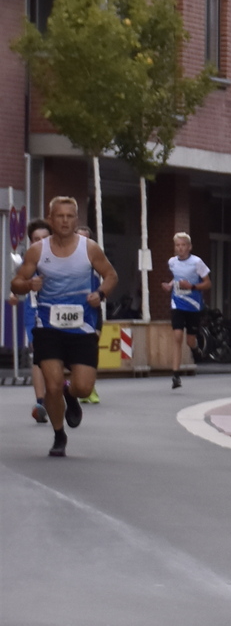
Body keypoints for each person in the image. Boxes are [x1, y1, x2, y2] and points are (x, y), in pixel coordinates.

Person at [9, 196, 117, 457]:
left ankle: (72, 396)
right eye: (60, 216)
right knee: (52, 384)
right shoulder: (38, 250)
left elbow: (111, 275)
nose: (65, 221)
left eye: (70, 216)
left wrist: (100, 294)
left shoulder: (89, 248)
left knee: (83, 387)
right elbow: (16, 283)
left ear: (76, 220)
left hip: (82, 325)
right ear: (51, 219)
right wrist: (28, 286)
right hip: (47, 325)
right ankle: (59, 435)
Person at [163, 232, 210, 389]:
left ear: (189, 247)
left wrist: (193, 286)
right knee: (177, 336)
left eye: (183, 245)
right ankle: (175, 375)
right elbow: (177, 279)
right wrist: (170, 285)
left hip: (193, 305)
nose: (180, 248)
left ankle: (196, 349)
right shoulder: (172, 262)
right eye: (177, 245)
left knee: (190, 340)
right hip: (177, 303)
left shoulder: (197, 262)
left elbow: (207, 283)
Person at [17, 216, 50, 422]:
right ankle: (41, 403)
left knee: (57, 359)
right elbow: (19, 282)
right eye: (35, 239)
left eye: (43, 238)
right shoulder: (28, 261)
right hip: (34, 313)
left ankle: (61, 390)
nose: (39, 242)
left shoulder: (62, 257)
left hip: (58, 313)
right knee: (38, 357)